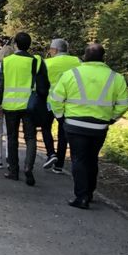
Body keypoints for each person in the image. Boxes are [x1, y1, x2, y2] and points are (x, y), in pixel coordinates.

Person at [48, 43, 128, 209]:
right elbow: (123, 104)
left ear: (84, 57)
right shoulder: (116, 78)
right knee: (92, 158)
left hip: (74, 124)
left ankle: (81, 196)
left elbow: (56, 99)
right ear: (102, 57)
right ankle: (90, 192)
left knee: (78, 158)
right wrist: (112, 118)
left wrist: (60, 117)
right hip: (99, 126)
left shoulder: (71, 74)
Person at [0, 32, 51, 186]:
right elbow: (44, 85)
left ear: (16, 45)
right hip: (29, 106)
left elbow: (2, 85)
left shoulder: (7, 61)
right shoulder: (37, 61)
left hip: (10, 105)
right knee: (30, 137)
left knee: (12, 138)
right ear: (29, 45)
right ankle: (28, 166)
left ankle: (13, 170)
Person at [42, 38, 80, 174]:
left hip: (50, 101)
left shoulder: (47, 63)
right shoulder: (77, 62)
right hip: (69, 102)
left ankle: (51, 153)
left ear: (55, 50)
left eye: (51, 50)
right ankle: (59, 165)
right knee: (62, 132)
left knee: (46, 127)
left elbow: (42, 83)